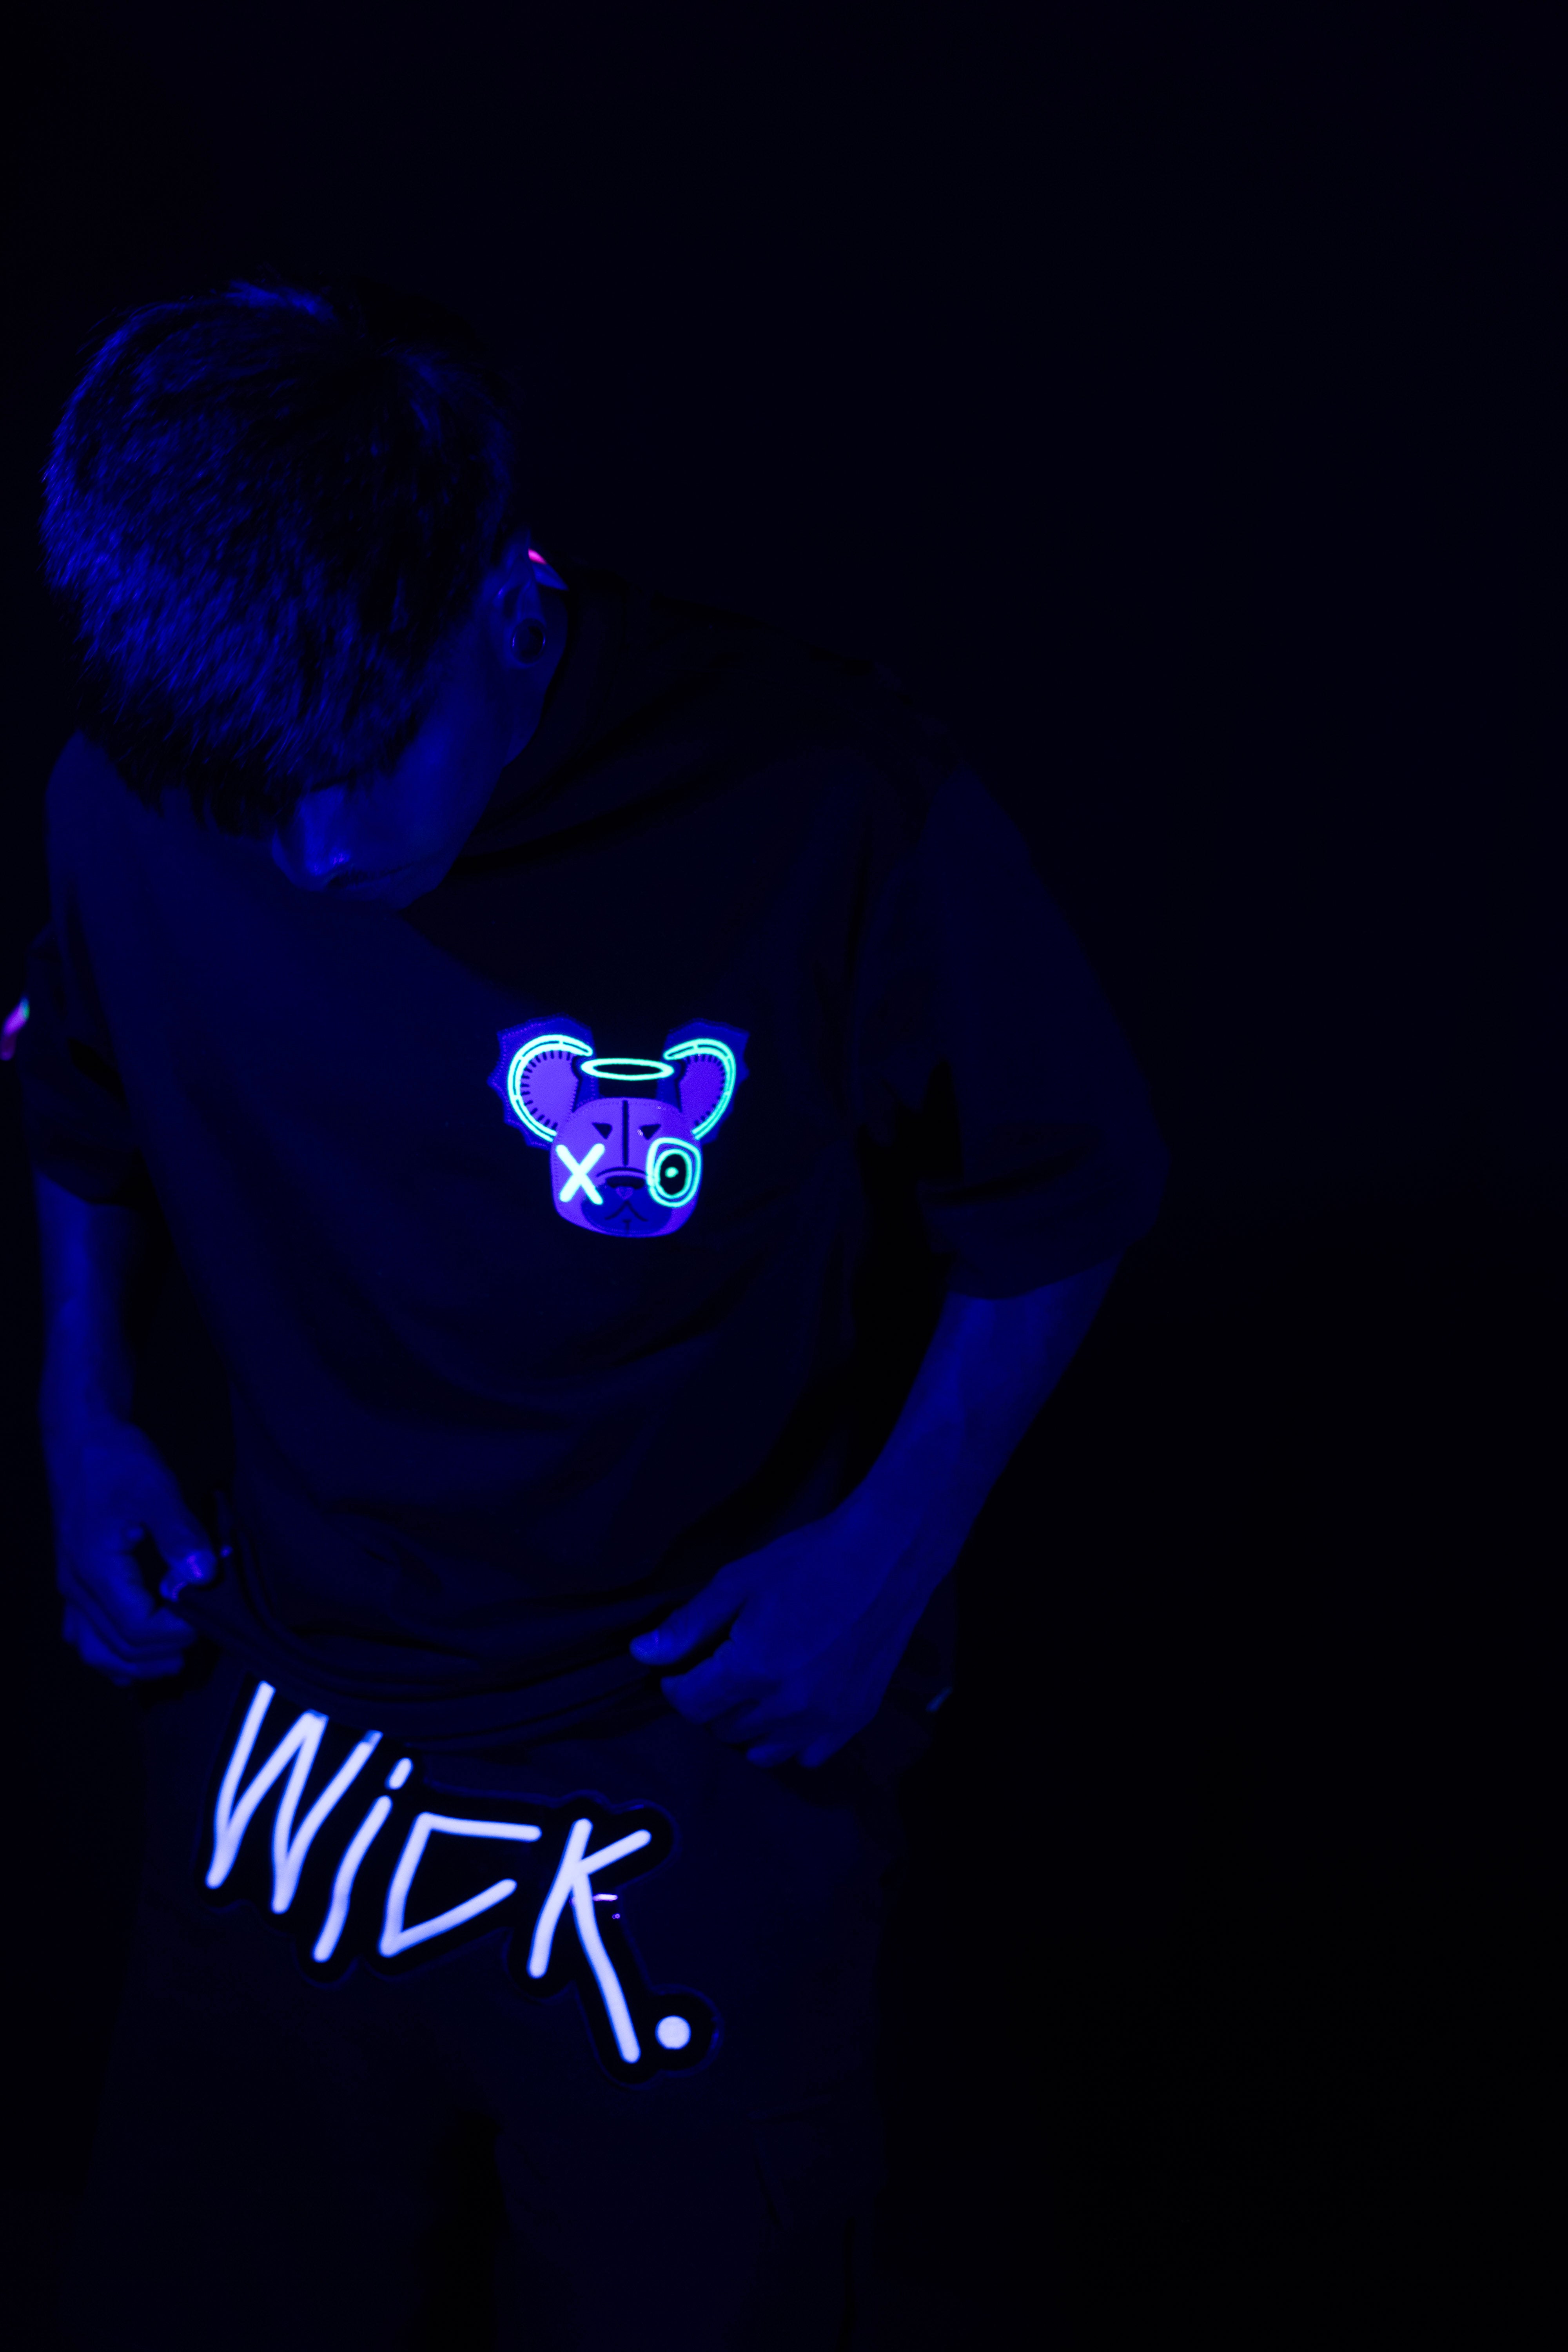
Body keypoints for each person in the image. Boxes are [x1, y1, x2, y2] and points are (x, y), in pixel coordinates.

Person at [18, 277, 1168, 2350]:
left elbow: (1065, 1184)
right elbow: (79, 1105)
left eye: (371, 754)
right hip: (291, 1709)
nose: (320, 848)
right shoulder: (132, 790)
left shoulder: (830, 796)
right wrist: (83, 1406)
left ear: (507, 602)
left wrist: (884, 1560)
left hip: (687, 1741)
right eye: (252, 794)